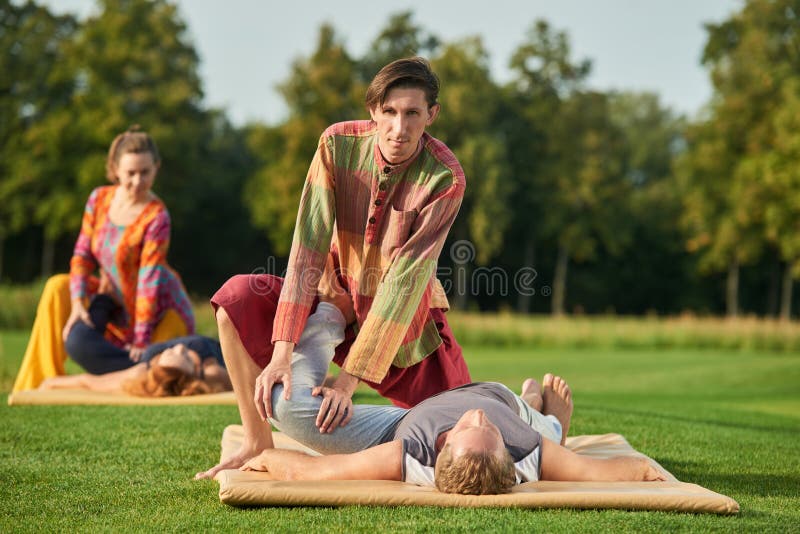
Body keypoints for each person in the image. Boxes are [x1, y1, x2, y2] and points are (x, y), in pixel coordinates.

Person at [204, 57, 471, 475]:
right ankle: (256, 441)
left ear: (431, 115)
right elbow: (307, 247)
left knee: (465, 433)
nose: (399, 128)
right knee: (234, 299)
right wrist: (281, 353)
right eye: (390, 112)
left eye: (412, 114)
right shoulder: (336, 144)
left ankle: (539, 407)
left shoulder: (445, 178)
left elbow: (403, 286)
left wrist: (347, 383)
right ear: (373, 111)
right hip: (331, 294)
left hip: (402, 325)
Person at [197, 302, 666, 494]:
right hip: (512, 404)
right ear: (510, 452)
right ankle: (541, 407)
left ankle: (328, 317)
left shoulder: (410, 454)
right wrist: (652, 474)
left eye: (470, 427)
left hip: (402, 423)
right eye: (491, 431)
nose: (479, 417)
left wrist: (263, 462)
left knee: (290, 413)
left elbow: (319, 472)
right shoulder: (528, 449)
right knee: (545, 423)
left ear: (442, 446)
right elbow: (608, 472)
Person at [12, 126, 195, 393]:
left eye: (145, 172)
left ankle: (137, 370)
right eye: (130, 173)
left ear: (157, 167)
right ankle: (41, 381)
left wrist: (141, 340)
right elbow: (83, 256)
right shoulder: (99, 199)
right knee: (56, 286)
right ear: (115, 170)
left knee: (152, 379)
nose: (137, 181)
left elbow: (148, 280)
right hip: (115, 302)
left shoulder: (157, 216)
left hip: (161, 313)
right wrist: (77, 304)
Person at [39, 336, 231, 397]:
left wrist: (51, 383)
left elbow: (91, 382)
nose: (180, 347)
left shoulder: (142, 371)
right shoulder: (210, 371)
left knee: (79, 342)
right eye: (186, 358)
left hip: (144, 340)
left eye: (172, 352)